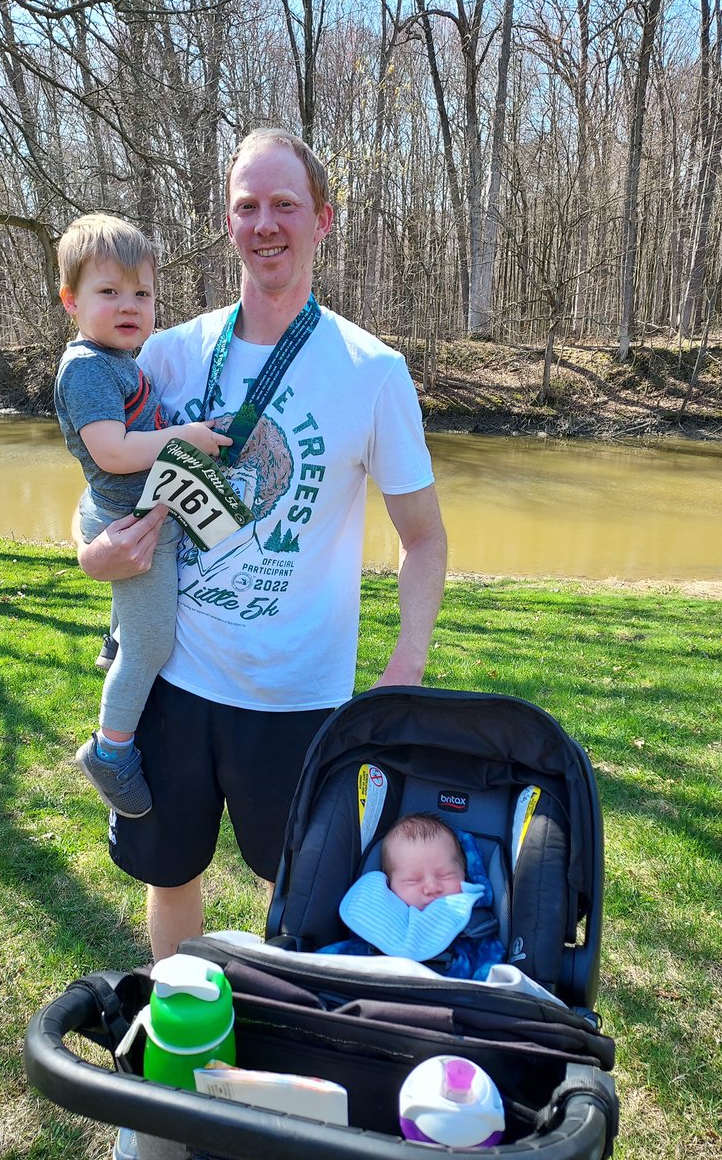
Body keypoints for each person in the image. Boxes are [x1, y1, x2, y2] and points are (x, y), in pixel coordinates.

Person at [74, 128, 447, 962]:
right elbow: (97, 490)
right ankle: (181, 1041)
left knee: (299, 892)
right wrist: (92, 557)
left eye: (286, 204)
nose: (266, 223)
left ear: (323, 219)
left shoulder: (372, 371)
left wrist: (404, 669)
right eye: (248, 206)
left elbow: (422, 539)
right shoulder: (167, 355)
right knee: (169, 875)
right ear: (229, 222)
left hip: (297, 698)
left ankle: (283, 1054)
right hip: (173, 680)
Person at [55, 213, 231, 818]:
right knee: (152, 646)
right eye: (109, 292)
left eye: (142, 293)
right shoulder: (86, 369)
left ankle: (116, 632)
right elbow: (111, 450)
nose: (129, 305)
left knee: (141, 626)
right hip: (132, 530)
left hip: (125, 507)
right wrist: (182, 436)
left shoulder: (116, 359)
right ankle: (111, 750)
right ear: (71, 300)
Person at [323, 812, 504, 981]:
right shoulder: (377, 921)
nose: (432, 887)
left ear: (465, 873)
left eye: (445, 875)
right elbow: (331, 962)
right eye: (413, 880)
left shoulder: (473, 927)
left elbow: (493, 972)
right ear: (389, 885)